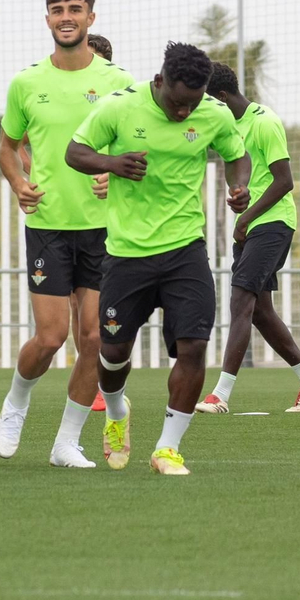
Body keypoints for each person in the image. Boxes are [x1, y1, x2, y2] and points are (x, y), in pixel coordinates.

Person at [67, 42, 250, 475]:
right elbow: (75, 152)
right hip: (126, 254)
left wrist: (238, 187)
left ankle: (167, 449)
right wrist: (111, 162)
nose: (185, 113)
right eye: (177, 102)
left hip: (185, 249)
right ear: (160, 81)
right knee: (111, 353)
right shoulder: (120, 107)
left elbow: (236, 155)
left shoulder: (212, 113)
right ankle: (116, 413)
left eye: (193, 103)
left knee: (193, 346)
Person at [0, 0, 133, 467]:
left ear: (91, 18)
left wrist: (113, 176)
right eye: (58, 10)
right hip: (48, 225)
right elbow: (7, 148)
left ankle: (65, 442)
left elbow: (136, 153)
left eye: (75, 9)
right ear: (47, 18)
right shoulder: (27, 83)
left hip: (102, 228)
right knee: (51, 337)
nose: (66, 18)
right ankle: (16, 402)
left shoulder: (119, 84)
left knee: (94, 336)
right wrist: (17, 183)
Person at [196, 62, 300, 414]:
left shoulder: (264, 122)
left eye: (208, 100)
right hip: (250, 224)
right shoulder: (227, 126)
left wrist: (248, 216)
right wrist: (239, 202)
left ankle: (221, 395)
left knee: (241, 300)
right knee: (260, 312)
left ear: (222, 97)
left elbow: (284, 180)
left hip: (273, 223)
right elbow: (238, 173)